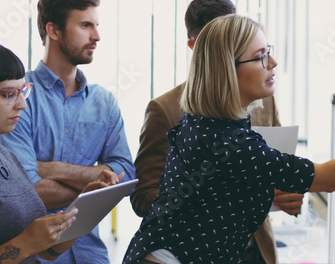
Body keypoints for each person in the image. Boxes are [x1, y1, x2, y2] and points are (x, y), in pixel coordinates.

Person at [122, 14, 335, 264]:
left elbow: (216, 195)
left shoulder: (205, 121)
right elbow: (328, 179)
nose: (274, 63)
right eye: (261, 57)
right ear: (228, 70)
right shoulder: (232, 143)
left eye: (270, 51)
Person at [129, 1, 303, 263]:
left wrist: (287, 193)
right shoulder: (166, 110)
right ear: (195, 46)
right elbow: (143, 196)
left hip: (256, 249)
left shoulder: (264, 97)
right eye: (218, 39)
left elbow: (279, 165)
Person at [0, 0, 135, 263]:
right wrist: (93, 190)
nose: (97, 36)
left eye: (96, 25)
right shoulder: (16, 98)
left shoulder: (104, 103)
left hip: (91, 253)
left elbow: (125, 175)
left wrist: (53, 169)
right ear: (54, 30)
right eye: (85, 25)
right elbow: (27, 191)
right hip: (33, 255)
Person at [0, 38, 123, 264]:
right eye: (8, 94)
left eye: (23, 91)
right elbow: (28, 244)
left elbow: (47, 251)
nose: (22, 104)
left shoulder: (7, 158)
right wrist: (24, 244)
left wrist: (83, 206)